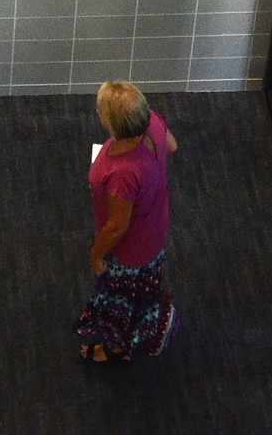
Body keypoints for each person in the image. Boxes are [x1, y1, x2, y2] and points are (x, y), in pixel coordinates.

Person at [75, 79, 179, 362]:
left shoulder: (122, 172)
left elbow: (117, 226)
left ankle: (118, 346)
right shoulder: (154, 123)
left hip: (130, 247)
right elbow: (171, 146)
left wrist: (97, 254)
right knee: (145, 288)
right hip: (155, 226)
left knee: (121, 298)